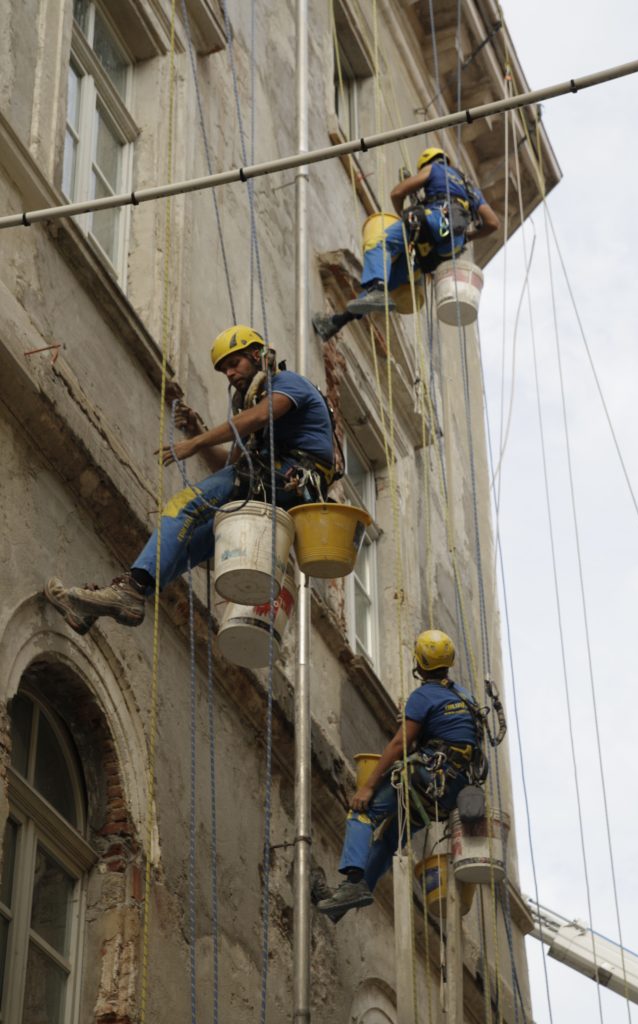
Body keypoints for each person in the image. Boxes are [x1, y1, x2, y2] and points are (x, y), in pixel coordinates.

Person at [44, 325, 335, 635]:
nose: (230, 374)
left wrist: (194, 444)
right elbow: (231, 466)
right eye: (224, 370)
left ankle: (130, 589)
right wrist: (198, 434)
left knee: (183, 505)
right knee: (190, 544)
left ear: (258, 356)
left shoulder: (290, 384)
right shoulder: (250, 406)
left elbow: (258, 418)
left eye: (234, 363)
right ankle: (114, 601)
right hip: (269, 485)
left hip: (289, 477)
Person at [316, 628, 480, 918]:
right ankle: (343, 904)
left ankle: (353, 882)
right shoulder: (465, 697)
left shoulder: (424, 695)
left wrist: (367, 787)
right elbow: (457, 735)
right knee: (390, 839)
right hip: (452, 792)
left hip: (427, 779)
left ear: (418, 662)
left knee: (362, 815)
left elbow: (399, 744)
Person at [312, 147, 499, 342]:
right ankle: (335, 323)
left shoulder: (433, 169)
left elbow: (397, 193)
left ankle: (376, 289)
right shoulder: (471, 190)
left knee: (380, 246)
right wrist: (468, 236)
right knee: (389, 282)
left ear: (428, 162)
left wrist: (404, 216)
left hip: (431, 222)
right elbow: (493, 223)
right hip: (448, 247)